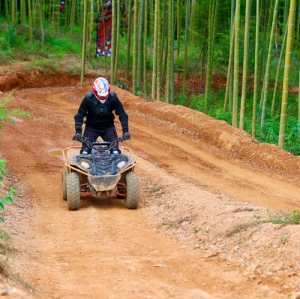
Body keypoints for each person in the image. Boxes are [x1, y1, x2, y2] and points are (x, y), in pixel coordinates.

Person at [73, 77, 130, 154]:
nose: (103, 97)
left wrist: (125, 131)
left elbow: (122, 114)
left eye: (105, 95)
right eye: (100, 96)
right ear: (95, 91)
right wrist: (78, 132)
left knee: (115, 152)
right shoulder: (88, 99)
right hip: (92, 128)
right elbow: (79, 115)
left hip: (108, 128)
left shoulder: (113, 98)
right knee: (85, 152)